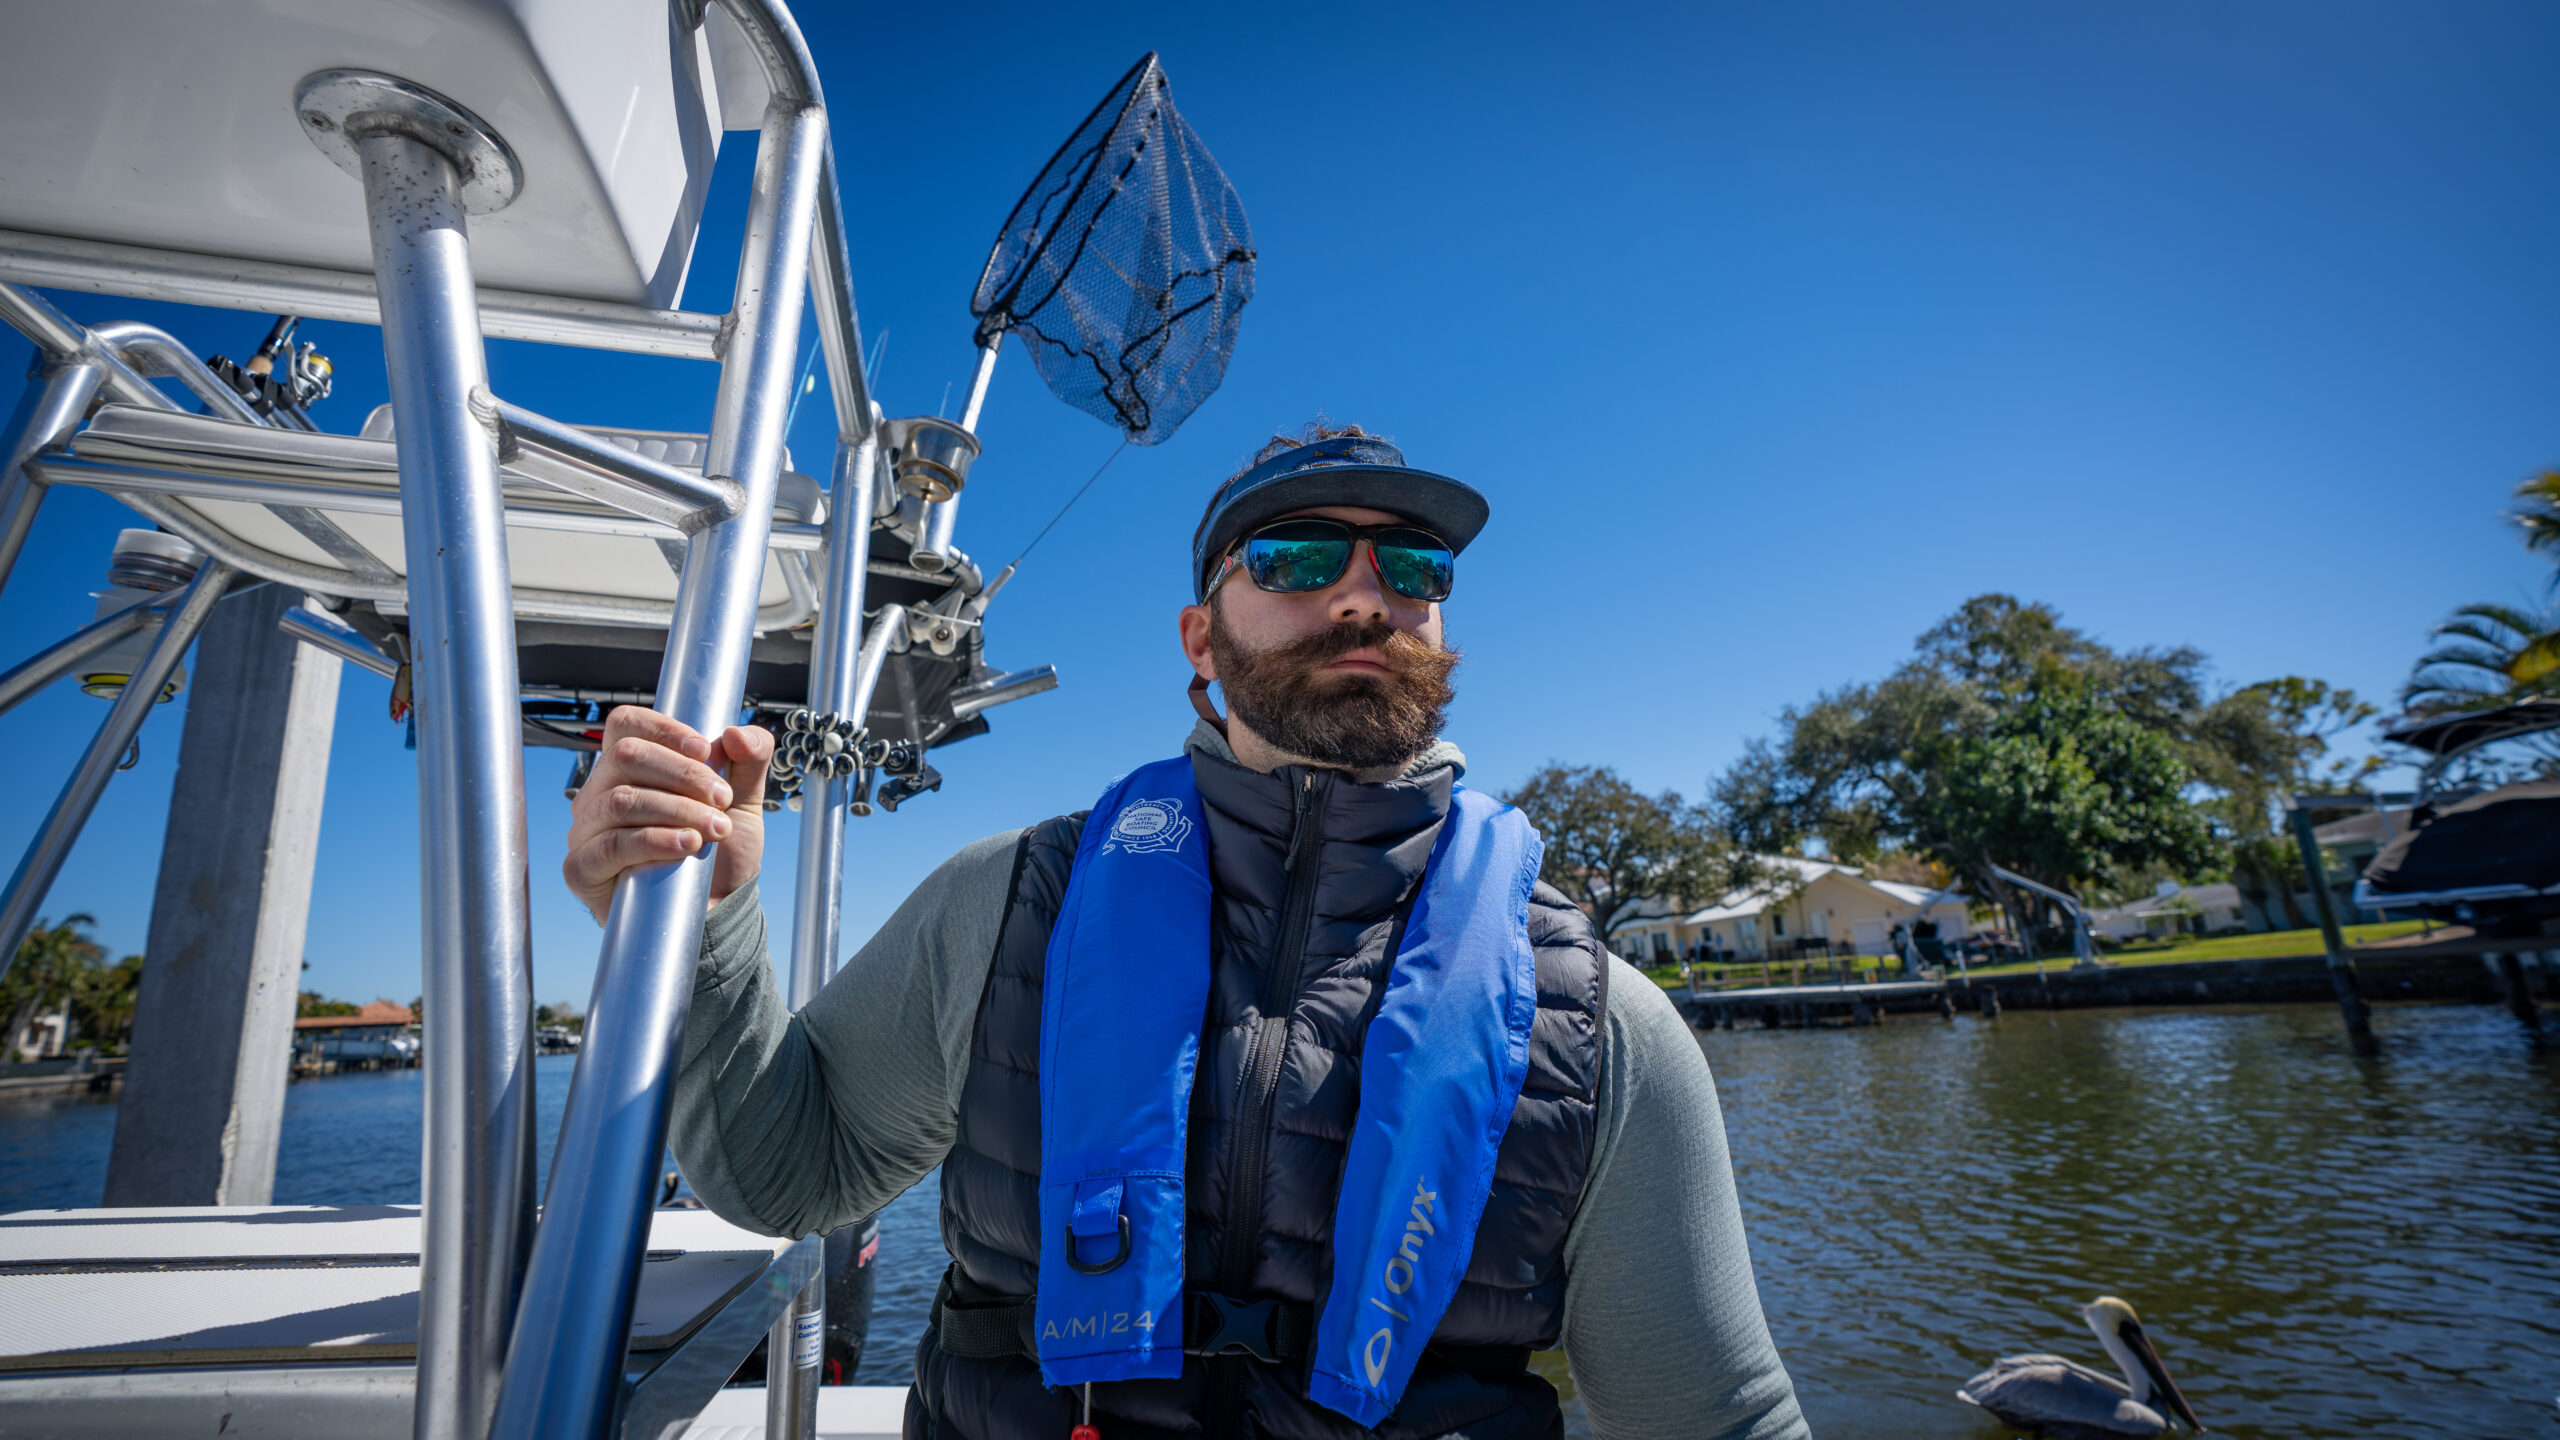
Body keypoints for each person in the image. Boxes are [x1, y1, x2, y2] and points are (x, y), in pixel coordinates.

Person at [565, 424, 1809, 1440]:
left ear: (1444, 632)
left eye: (1414, 569)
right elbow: (789, 1174)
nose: (1366, 597)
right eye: (1300, 557)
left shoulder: (1598, 1021)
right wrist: (708, 918)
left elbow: (1718, 1416)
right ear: (1200, 637)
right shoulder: (1005, 903)